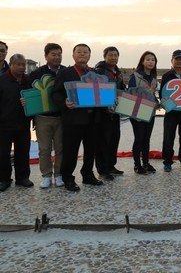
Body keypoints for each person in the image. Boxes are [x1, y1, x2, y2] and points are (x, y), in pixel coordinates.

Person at [52, 44, 103, 191]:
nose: (82, 54)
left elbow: (102, 93)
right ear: (73, 55)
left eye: (85, 52)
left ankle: (88, 175)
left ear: (90, 55)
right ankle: (68, 177)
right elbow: (56, 93)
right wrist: (64, 102)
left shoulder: (95, 74)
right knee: (70, 151)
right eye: (79, 52)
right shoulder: (65, 73)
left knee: (90, 150)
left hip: (93, 119)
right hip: (73, 120)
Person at [29, 43, 66, 188]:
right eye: (53, 54)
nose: (57, 57)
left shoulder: (66, 72)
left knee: (60, 148)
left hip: (62, 117)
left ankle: (58, 175)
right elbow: (29, 94)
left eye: (59, 54)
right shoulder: (36, 73)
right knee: (44, 149)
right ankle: (46, 175)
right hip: (43, 118)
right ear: (46, 56)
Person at [0, 54, 33, 191]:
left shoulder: (29, 81)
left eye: (23, 65)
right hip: (3, 124)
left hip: (23, 123)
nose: (21, 67)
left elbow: (35, 99)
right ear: (11, 64)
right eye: (18, 64)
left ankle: (22, 178)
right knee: (2, 153)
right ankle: (3, 179)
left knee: (23, 152)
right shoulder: (2, 80)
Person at [94, 46, 125, 180]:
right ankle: (102, 169)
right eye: (110, 55)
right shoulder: (99, 71)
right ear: (104, 57)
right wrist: (105, 105)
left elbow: (122, 89)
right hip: (103, 113)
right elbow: (96, 90)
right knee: (103, 141)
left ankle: (111, 165)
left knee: (114, 139)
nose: (113, 57)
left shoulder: (118, 72)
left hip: (115, 112)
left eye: (115, 55)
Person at [160, 50, 181, 172]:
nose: (179, 61)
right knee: (168, 137)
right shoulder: (166, 76)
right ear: (172, 60)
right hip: (171, 113)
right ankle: (167, 161)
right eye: (177, 59)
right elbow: (162, 95)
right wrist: (168, 106)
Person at [128, 51, 159, 174]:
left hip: (150, 112)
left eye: (153, 60)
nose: (150, 62)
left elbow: (152, 95)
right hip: (137, 112)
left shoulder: (154, 78)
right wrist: (135, 114)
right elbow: (130, 95)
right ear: (142, 61)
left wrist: (157, 102)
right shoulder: (135, 76)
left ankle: (146, 163)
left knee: (146, 139)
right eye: (148, 59)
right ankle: (137, 165)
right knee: (139, 138)